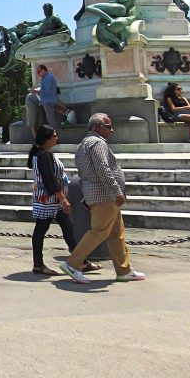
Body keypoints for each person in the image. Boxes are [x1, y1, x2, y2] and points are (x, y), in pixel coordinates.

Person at [57, 113, 146, 284]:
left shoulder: (84, 144)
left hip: (98, 194)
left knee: (116, 234)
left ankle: (124, 270)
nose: (111, 130)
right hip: (104, 195)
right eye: (108, 126)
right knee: (99, 231)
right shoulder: (97, 143)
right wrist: (117, 191)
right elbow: (103, 169)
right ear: (97, 127)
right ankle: (73, 263)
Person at [27, 125, 100, 276]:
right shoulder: (43, 155)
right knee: (42, 230)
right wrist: (63, 199)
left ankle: (81, 261)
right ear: (46, 139)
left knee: (68, 228)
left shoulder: (42, 153)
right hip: (49, 199)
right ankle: (38, 264)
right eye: (54, 135)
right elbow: (49, 179)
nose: (57, 138)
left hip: (51, 199)